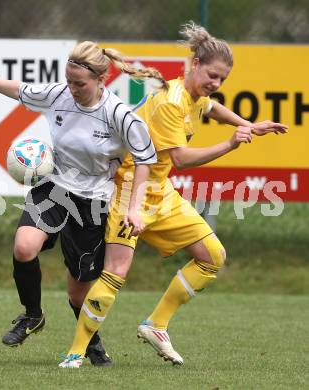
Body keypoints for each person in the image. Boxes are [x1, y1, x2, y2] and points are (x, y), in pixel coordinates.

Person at [59, 23, 288, 368]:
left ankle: (157, 324)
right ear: (194, 63)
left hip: (161, 193)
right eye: (212, 75)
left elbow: (211, 108)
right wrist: (229, 143)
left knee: (212, 256)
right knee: (115, 273)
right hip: (129, 191)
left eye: (222, 80)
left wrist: (248, 124)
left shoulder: (193, 96)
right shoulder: (171, 102)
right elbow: (180, 158)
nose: (216, 84)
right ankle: (75, 353)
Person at [0, 41, 164, 366]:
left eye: (79, 84)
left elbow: (145, 159)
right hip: (53, 189)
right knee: (24, 246)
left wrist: (134, 206)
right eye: (69, 81)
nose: (72, 89)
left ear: (101, 79)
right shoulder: (59, 95)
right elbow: (21, 90)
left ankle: (92, 342)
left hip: (92, 202)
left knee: (77, 291)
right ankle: (32, 315)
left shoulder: (118, 115)